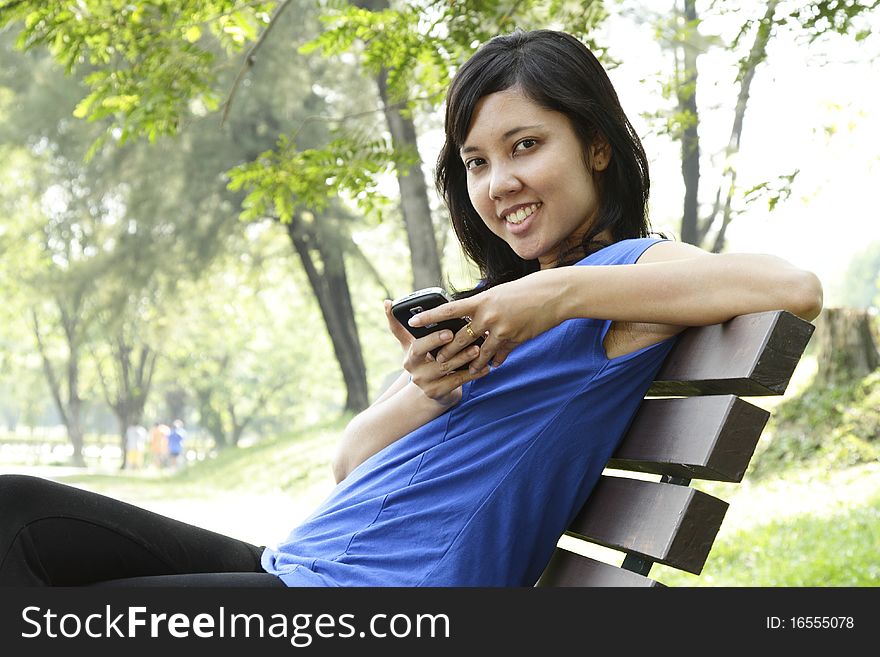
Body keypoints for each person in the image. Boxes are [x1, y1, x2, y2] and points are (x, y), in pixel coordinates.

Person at [0, 29, 822, 587]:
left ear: (597, 147)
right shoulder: (494, 313)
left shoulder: (624, 274)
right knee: (20, 514)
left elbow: (794, 288)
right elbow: (350, 457)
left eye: (525, 145)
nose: (498, 183)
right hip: (296, 568)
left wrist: (550, 291)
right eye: (476, 160)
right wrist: (432, 387)